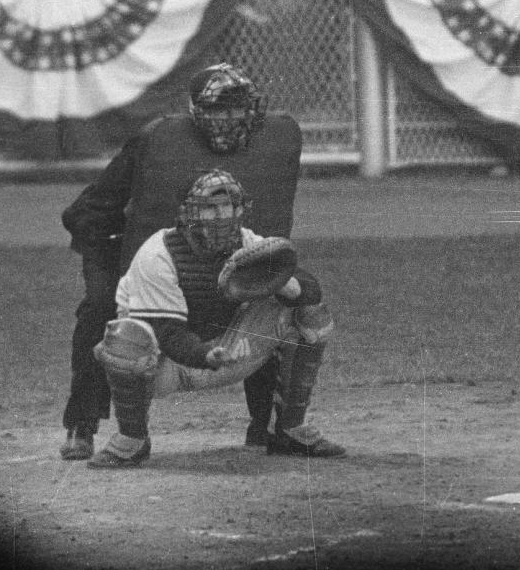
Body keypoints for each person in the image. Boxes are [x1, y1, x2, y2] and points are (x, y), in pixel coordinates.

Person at [58, 62, 343, 461]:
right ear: (195, 111)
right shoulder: (157, 145)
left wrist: (279, 277)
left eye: (239, 107)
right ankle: (85, 425)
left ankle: (279, 427)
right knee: (101, 309)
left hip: (227, 257)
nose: (230, 118)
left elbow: (301, 286)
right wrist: (120, 264)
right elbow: (86, 215)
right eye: (219, 108)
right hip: (140, 254)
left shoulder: (268, 160)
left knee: (277, 300)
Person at [87, 168, 343, 468]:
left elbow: (312, 292)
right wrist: (207, 355)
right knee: (127, 337)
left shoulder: (247, 242)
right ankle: (132, 438)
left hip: (229, 352)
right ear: (187, 214)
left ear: (239, 209)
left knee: (307, 313)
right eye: (210, 208)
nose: (221, 216)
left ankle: (289, 428)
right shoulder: (157, 253)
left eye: (228, 206)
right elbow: (167, 334)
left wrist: (281, 282)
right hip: (163, 367)